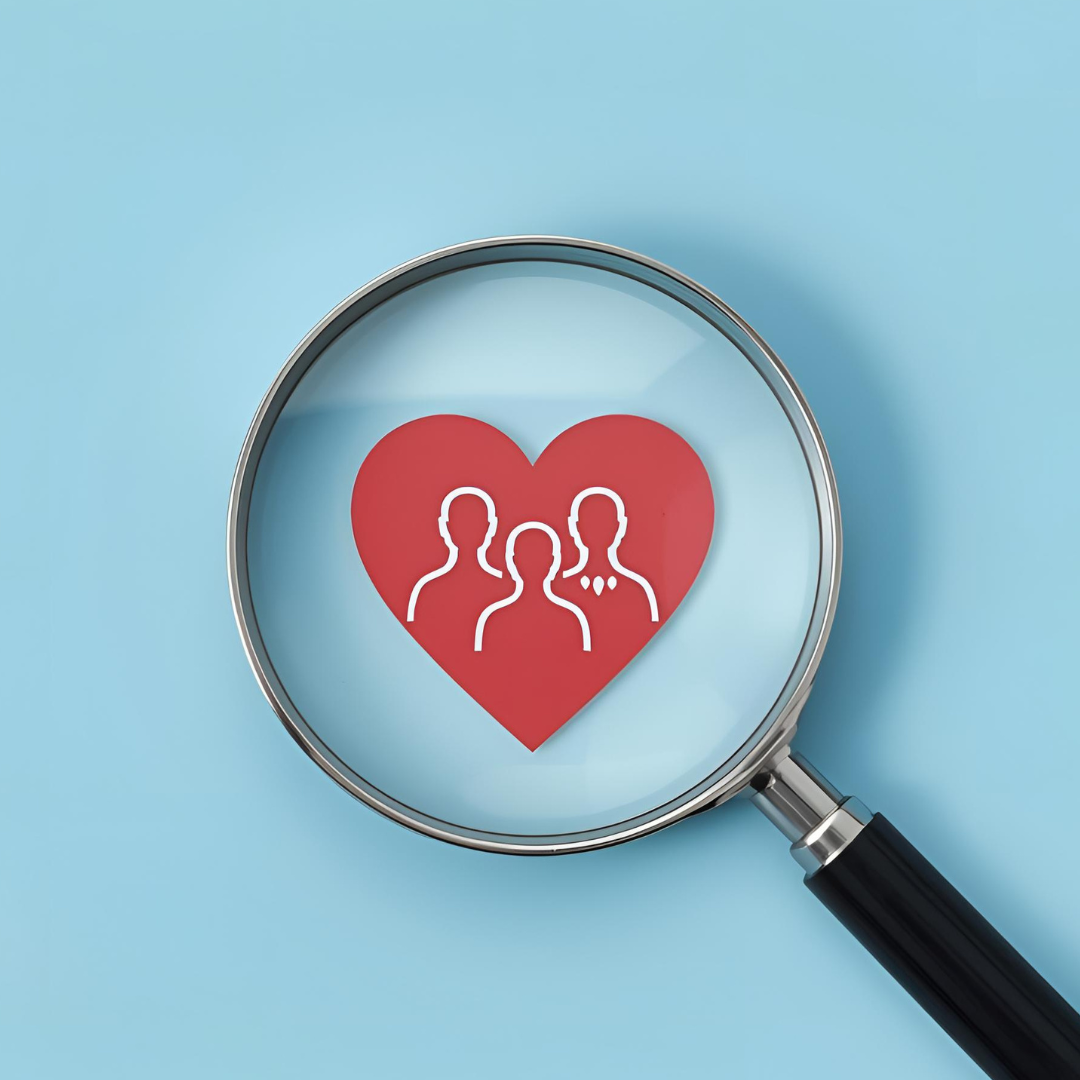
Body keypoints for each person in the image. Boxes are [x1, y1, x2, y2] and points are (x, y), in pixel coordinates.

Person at [474, 522, 590, 652]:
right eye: (526, 555)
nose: (533, 563)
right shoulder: (494, 618)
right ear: (513, 561)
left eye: (541, 555)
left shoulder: (571, 618)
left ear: (553, 560)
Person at [562, 487, 658, 621]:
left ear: (620, 526)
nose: (597, 529)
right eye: (590, 522)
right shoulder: (561, 588)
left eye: (605, 521)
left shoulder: (636, 591)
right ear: (575, 527)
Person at [407, 486, 502, 623]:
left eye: (474, 522)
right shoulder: (430, 591)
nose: (468, 529)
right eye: (461, 522)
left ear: (489, 527)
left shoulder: (502, 588)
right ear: (446, 526)